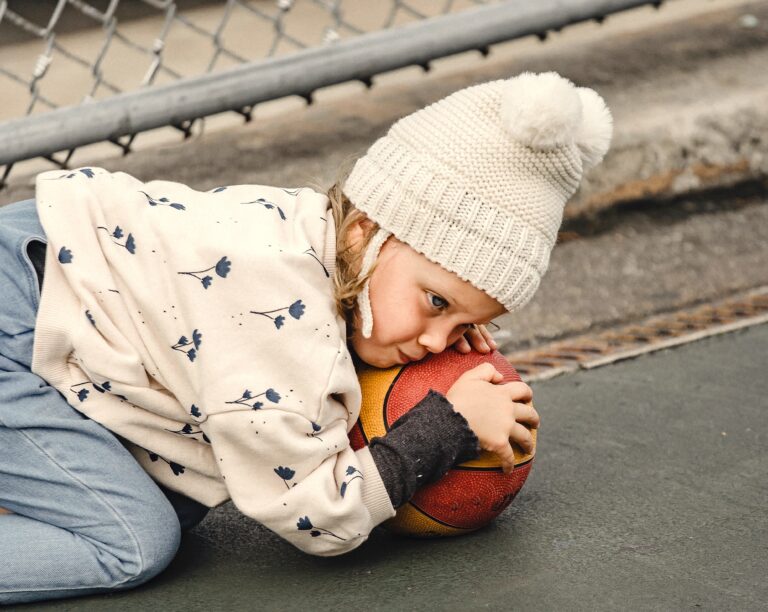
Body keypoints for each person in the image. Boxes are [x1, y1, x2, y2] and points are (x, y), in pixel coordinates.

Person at [0, 71, 611, 603]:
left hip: (41, 279)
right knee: (134, 539)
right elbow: (317, 515)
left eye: (467, 324)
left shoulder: (305, 229)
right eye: (435, 302)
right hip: (15, 317)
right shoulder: (279, 312)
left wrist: (440, 315)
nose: (435, 344)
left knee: (179, 488)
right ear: (364, 235)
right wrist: (446, 426)